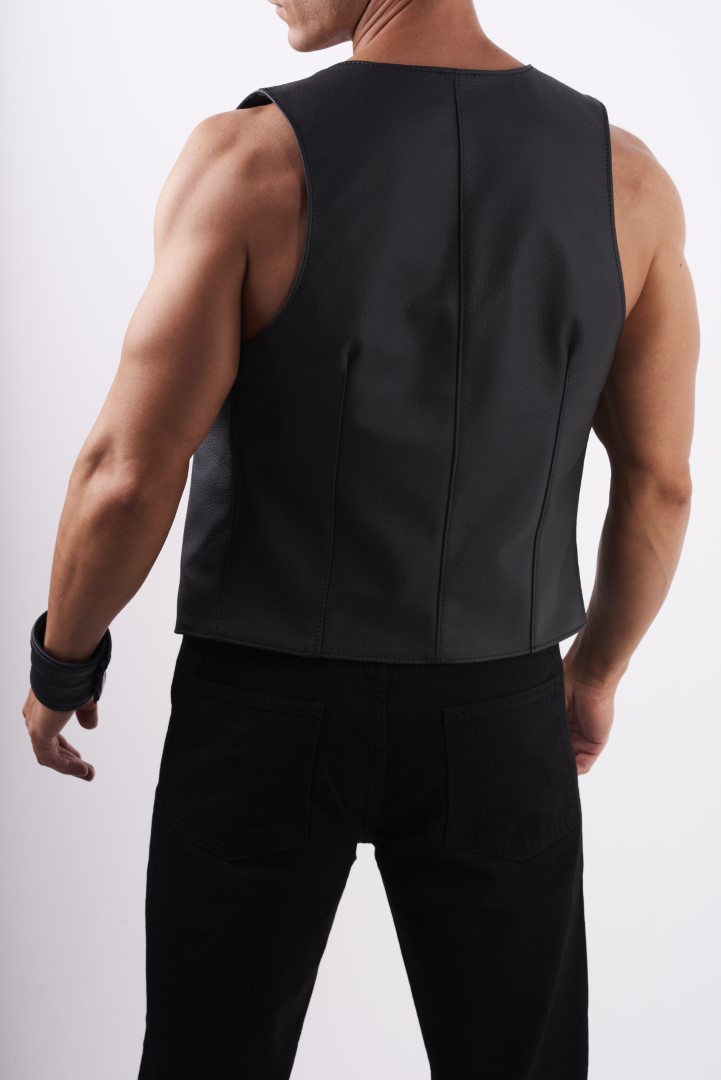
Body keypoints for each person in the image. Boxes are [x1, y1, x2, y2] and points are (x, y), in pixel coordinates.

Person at [23, 1, 699, 1077]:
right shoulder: (627, 183)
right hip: (498, 710)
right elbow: (659, 484)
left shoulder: (249, 163)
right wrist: (594, 675)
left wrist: (63, 661)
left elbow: (126, 474)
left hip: (263, 707)